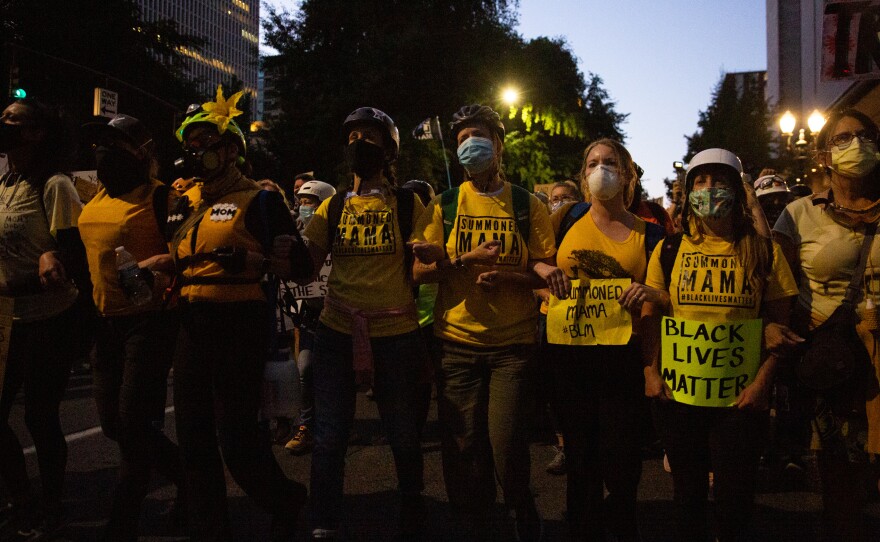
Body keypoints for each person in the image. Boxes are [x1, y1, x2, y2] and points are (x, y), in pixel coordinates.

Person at [167, 85, 312, 542]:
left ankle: (285, 499)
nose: (195, 153)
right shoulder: (182, 202)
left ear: (231, 150)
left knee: (237, 439)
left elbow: (303, 267)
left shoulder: (262, 202)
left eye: (204, 143)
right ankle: (209, 528)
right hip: (190, 323)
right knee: (192, 436)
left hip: (240, 325)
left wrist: (266, 262)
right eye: (189, 145)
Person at [410, 104, 560, 541]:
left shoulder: (526, 205)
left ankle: (520, 505)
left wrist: (509, 276)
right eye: (461, 139)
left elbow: (544, 273)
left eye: (478, 136)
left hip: (512, 347)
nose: (469, 144)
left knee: (506, 443)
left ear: (498, 144)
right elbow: (421, 273)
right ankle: (472, 521)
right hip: (455, 344)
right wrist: (463, 260)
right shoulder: (445, 204)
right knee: (461, 446)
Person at [642, 148, 798, 542]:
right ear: (688, 191)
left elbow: (779, 324)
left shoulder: (764, 251)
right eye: (700, 181)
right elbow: (653, 313)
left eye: (719, 181)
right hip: (680, 397)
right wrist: (650, 371)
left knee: (734, 500)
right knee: (688, 497)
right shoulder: (670, 249)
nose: (709, 190)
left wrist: (763, 383)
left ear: (737, 190)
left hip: (740, 399)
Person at [303, 108, 428, 541]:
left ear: (388, 149)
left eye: (370, 136)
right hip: (336, 330)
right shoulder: (332, 206)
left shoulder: (410, 204)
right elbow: (306, 267)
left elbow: (424, 260)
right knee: (329, 435)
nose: (360, 142)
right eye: (353, 134)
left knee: (404, 435)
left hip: (396, 336)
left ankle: (412, 513)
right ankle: (324, 521)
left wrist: (433, 255)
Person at [545, 139, 667, 541]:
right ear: (583, 177)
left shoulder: (650, 235)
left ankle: (621, 525)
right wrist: (547, 275)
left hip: (622, 360)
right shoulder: (564, 219)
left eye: (610, 163)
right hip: (569, 356)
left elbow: (666, 300)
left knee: (621, 458)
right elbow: (532, 261)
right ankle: (582, 527)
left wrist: (652, 368)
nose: (602, 170)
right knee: (580, 457)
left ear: (629, 175)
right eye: (593, 163)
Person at [774, 108, 880, 542]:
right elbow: (775, 287)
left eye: (864, 135)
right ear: (825, 152)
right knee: (842, 480)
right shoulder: (798, 215)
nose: (855, 144)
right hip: (836, 361)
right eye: (842, 138)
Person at [77, 114, 183, 541]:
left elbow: (188, 250)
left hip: (150, 321)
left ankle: (122, 523)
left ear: (142, 154)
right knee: (112, 424)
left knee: (134, 423)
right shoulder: (96, 196)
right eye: (100, 145)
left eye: (115, 145)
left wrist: (164, 262)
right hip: (105, 323)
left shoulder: (163, 198)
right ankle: (188, 476)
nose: (104, 153)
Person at [0, 97, 88, 540]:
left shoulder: (55, 185)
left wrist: (31, 276)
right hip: (9, 319)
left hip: (50, 319)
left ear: (37, 134)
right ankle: (20, 498)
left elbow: (73, 255)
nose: (4, 125)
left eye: (13, 122)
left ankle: (51, 505)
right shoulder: (5, 183)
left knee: (39, 415)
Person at [283, 179, 336, 455]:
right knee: (304, 369)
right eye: (301, 201)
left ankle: (332, 424)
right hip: (309, 315)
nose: (304, 207)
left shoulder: (340, 234)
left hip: (339, 314)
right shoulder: (293, 237)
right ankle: (306, 426)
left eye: (310, 202)